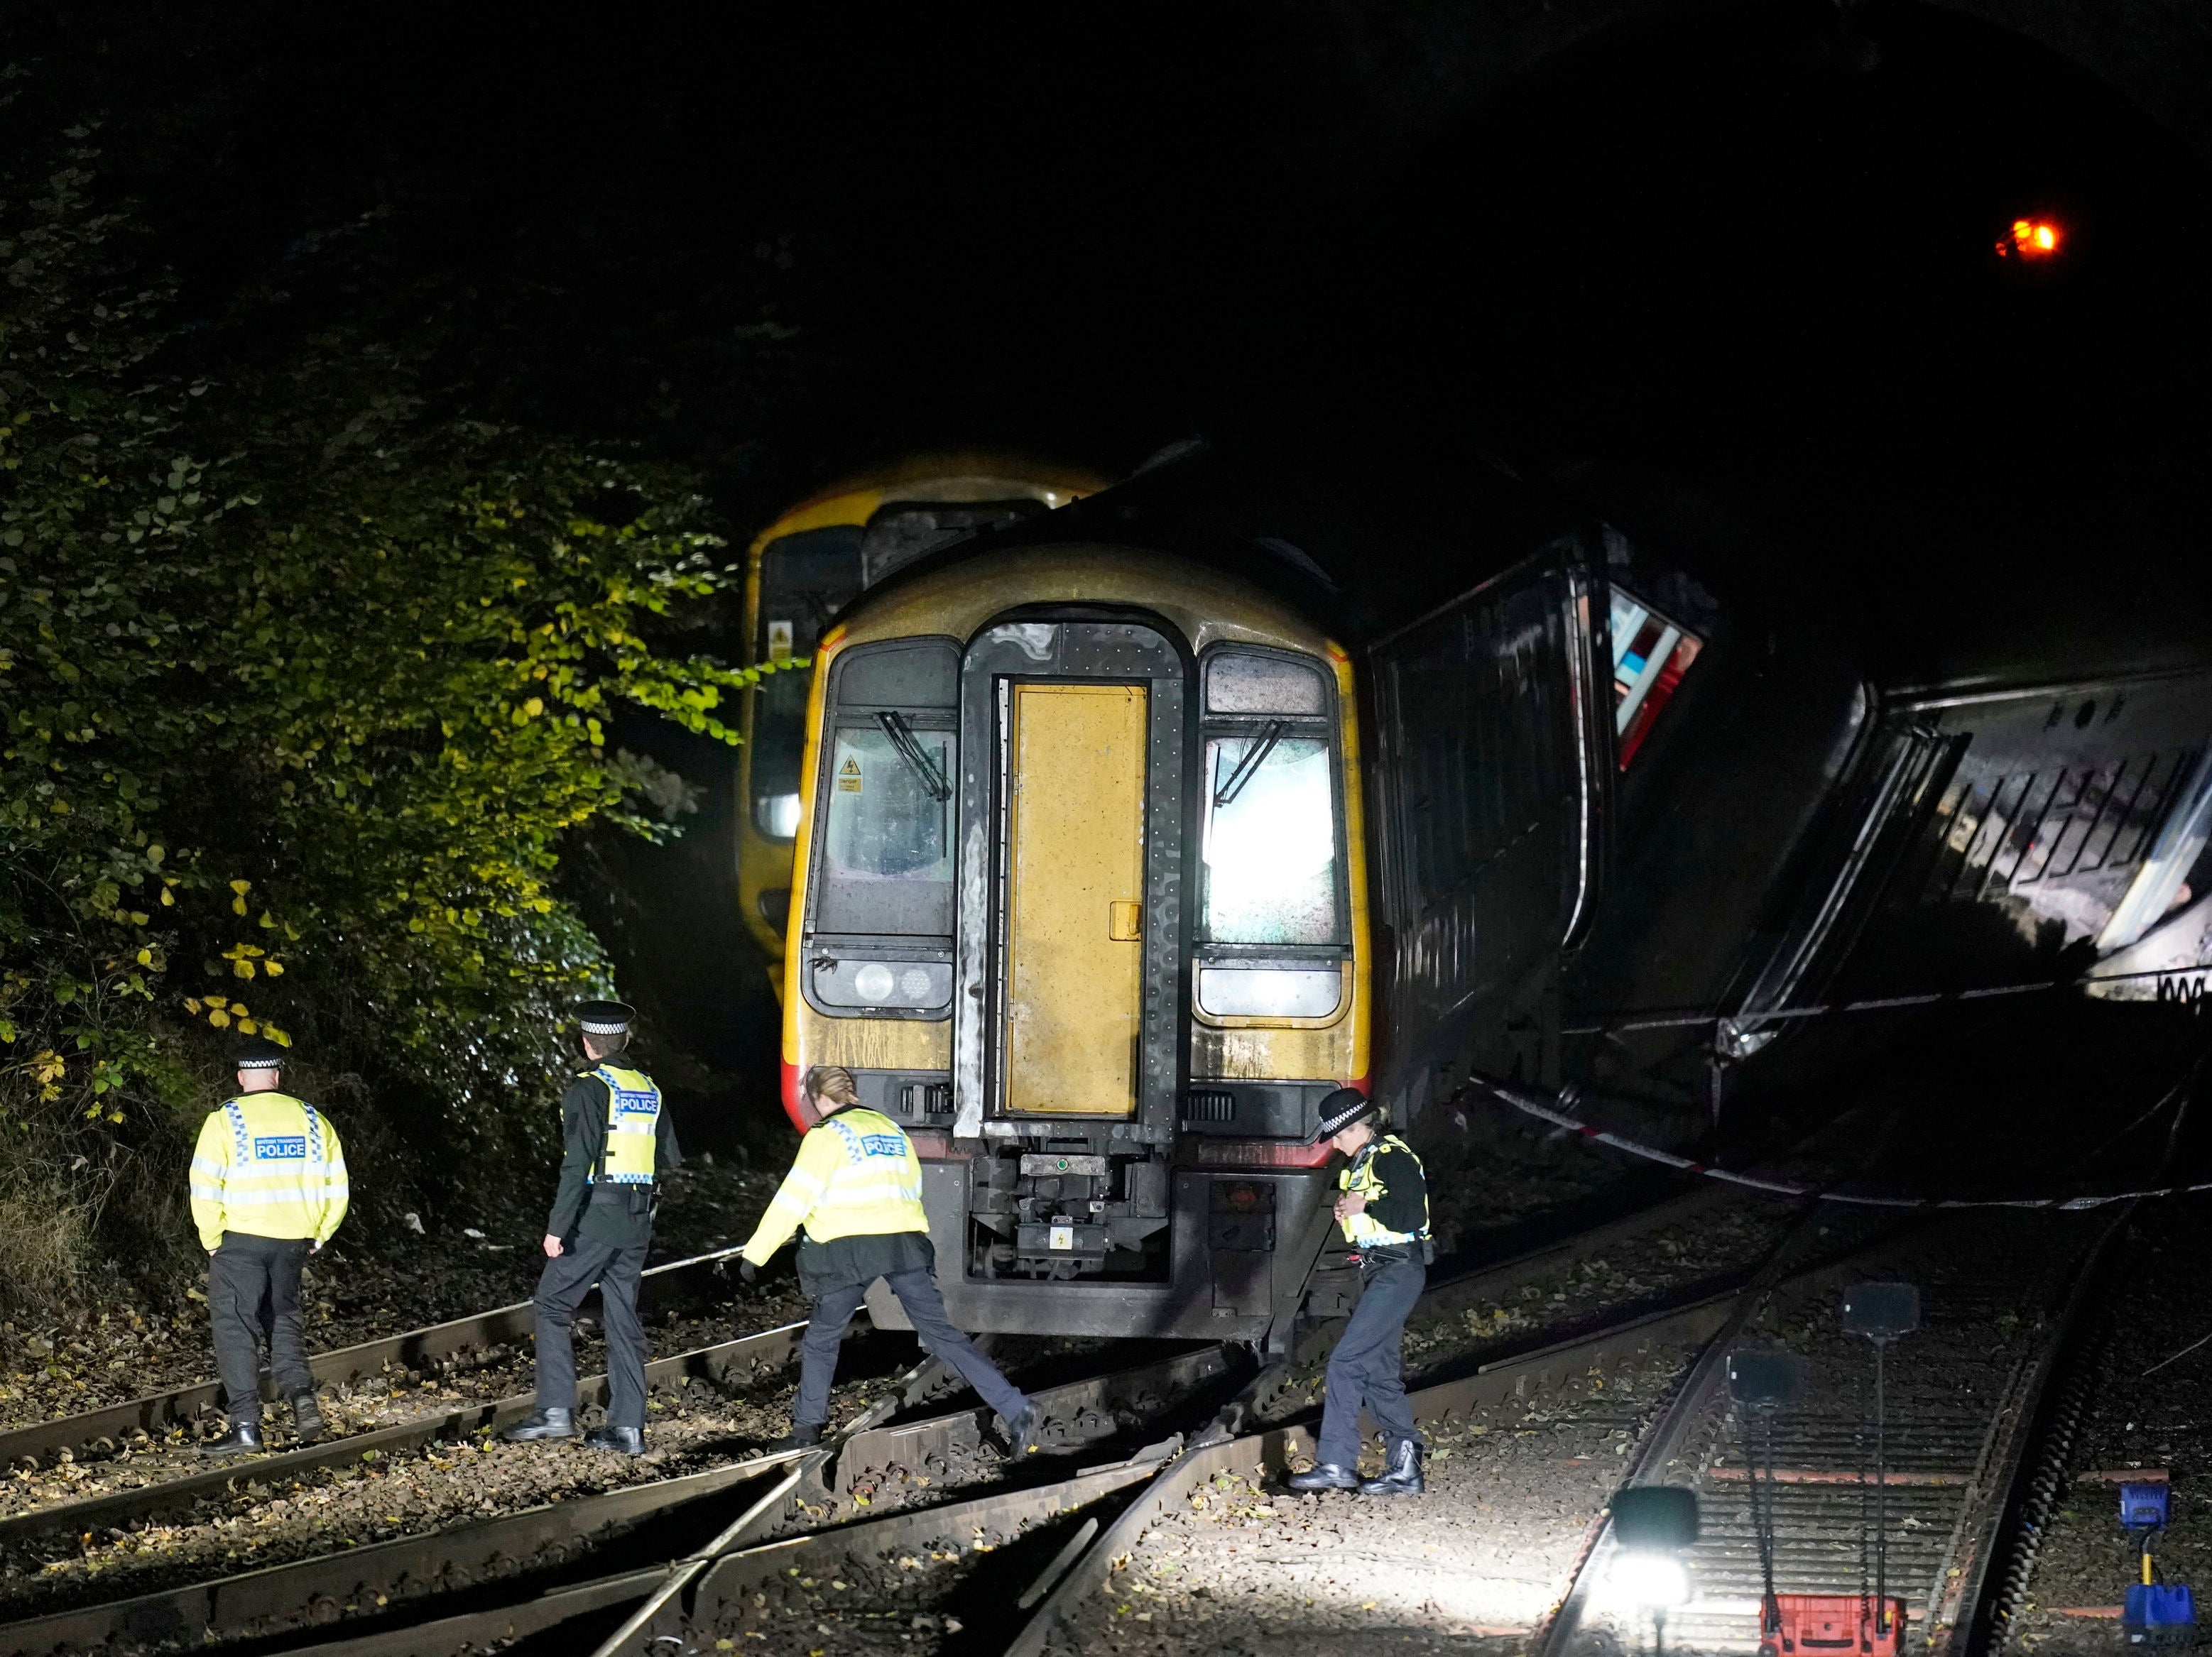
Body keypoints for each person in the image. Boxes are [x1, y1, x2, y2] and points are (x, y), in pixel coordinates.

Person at [738, 1064, 1040, 1455]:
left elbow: (794, 1199)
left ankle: (806, 1431)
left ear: (819, 1099)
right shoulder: (891, 1130)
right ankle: (1016, 1408)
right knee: (942, 1335)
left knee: (822, 1339)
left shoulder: (826, 1136)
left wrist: (755, 1255)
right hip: (903, 1244)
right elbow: (911, 1188)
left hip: (848, 1249)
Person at [504, 1000, 680, 1456]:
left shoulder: (588, 1089)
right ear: (625, 1040)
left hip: (597, 1216)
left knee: (552, 1302)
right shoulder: (649, 1089)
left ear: (587, 1044)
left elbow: (577, 1162)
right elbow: (668, 1159)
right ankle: (628, 1428)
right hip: (638, 1218)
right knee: (623, 1315)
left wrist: (557, 1227)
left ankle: (556, 1412)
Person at [188, 1036, 350, 1457]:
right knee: (284, 1318)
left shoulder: (224, 1121)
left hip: (239, 1241)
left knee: (236, 1328)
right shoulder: (314, 1121)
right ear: (277, 1076)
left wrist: (211, 1238)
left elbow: (204, 1185)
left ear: (242, 1078)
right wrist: (320, 1231)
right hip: (293, 1241)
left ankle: (245, 1427)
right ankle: (302, 1400)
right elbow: (338, 1183)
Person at [1289, 1088, 1431, 1497]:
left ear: (1359, 1128)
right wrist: (1353, 1210)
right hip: (1380, 1271)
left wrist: (1363, 1207)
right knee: (1380, 1374)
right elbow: (1377, 1210)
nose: (1334, 1143)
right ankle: (1405, 1470)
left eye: (1338, 1135)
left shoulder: (1392, 1156)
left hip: (1397, 1270)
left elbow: (1412, 1214)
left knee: (1347, 1363)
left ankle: (1336, 1463)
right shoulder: (1368, 1159)